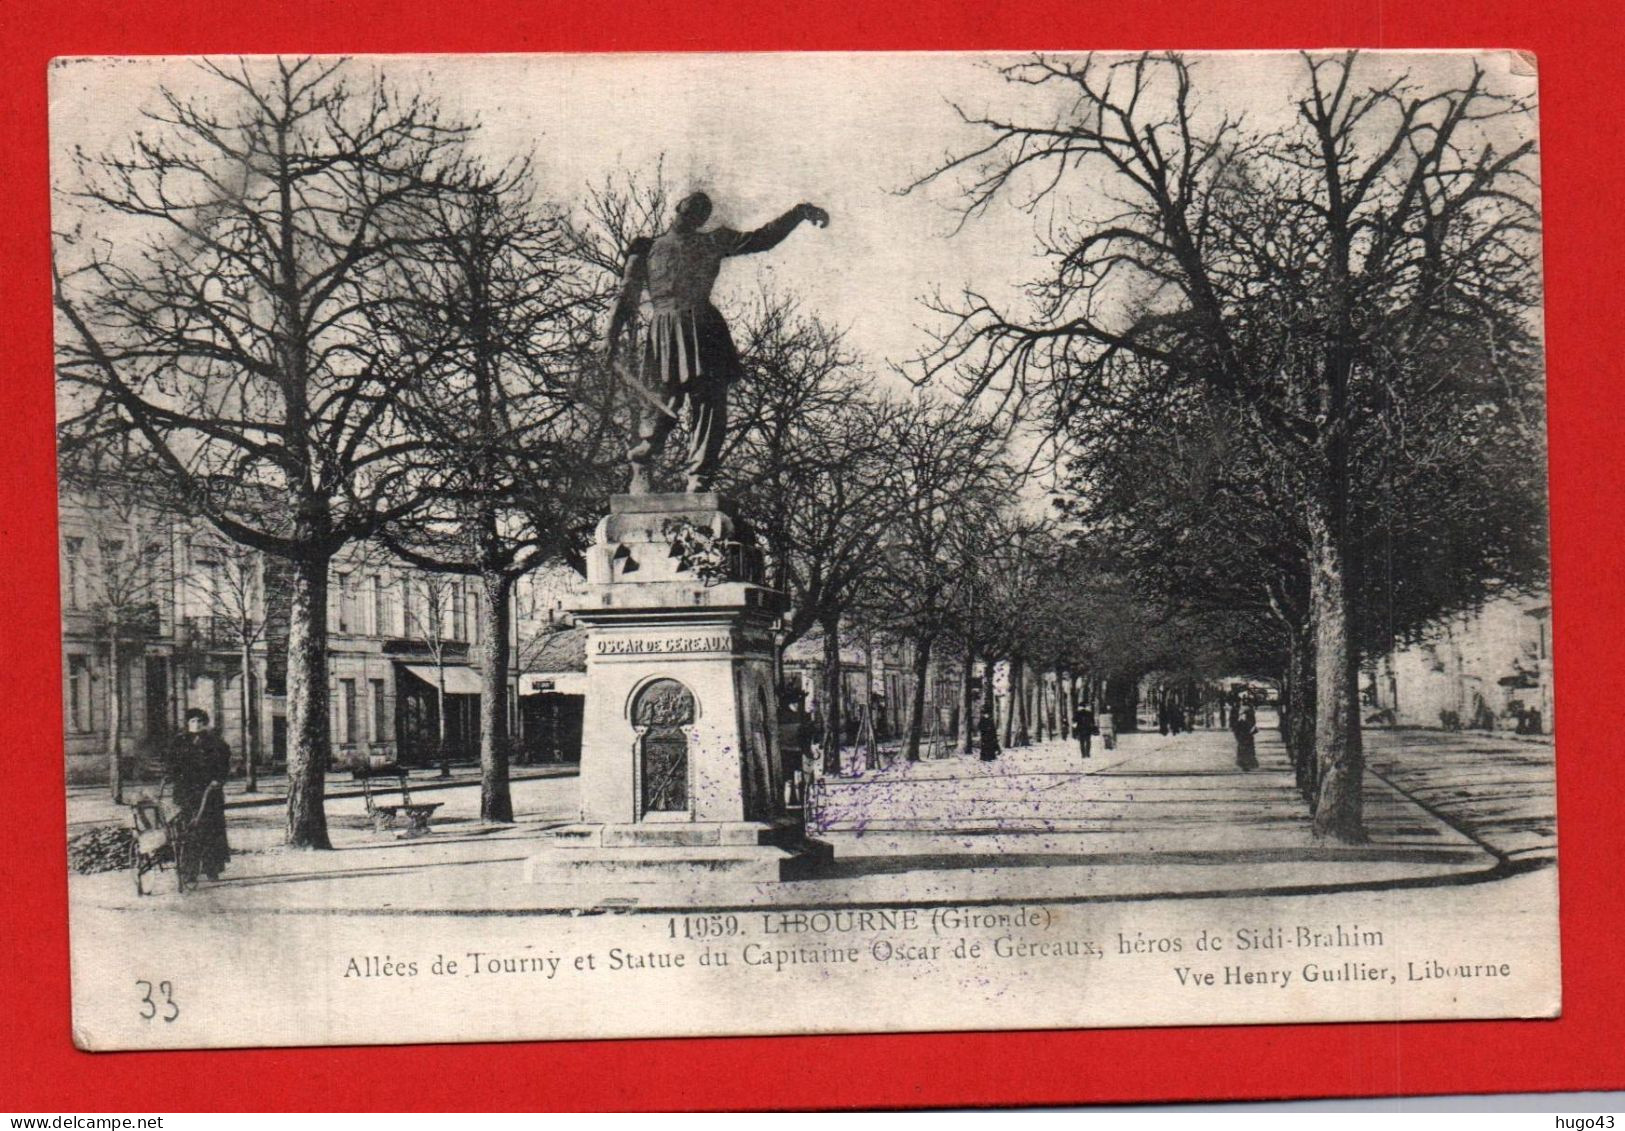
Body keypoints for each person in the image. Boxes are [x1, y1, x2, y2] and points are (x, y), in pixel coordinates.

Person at [605, 192, 830, 494]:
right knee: (660, 405)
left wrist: (799, 212)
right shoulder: (645, 249)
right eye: (690, 206)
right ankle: (643, 456)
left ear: (703, 218)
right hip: (664, 332)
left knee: (709, 404)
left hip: (704, 329)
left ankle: (699, 476)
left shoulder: (713, 241)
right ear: (678, 207)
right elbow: (626, 297)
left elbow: (763, 238)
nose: (693, 212)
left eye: (701, 210)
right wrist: (609, 335)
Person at [165, 708, 232, 880]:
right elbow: (171, 764)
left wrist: (218, 779)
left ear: (205, 724)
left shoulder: (216, 743)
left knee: (211, 831)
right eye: (193, 721)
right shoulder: (178, 742)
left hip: (209, 793)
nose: (196, 725)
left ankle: (212, 869)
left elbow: (224, 765)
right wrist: (170, 776)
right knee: (187, 831)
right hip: (185, 792)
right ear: (188, 723)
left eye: (200, 721)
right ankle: (189, 871)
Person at [1231, 700, 1259, 772]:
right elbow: (1253, 723)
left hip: (1244, 733)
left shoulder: (1245, 713)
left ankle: (1244, 763)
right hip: (1245, 733)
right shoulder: (1249, 712)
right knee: (1246, 748)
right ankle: (1246, 763)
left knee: (1243, 747)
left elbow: (1236, 724)